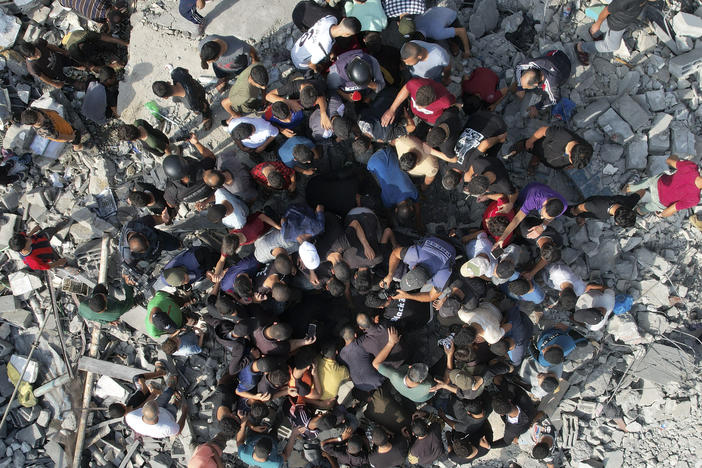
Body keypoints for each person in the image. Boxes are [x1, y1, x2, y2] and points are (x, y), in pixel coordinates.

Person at [492, 182, 567, 251]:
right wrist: (502, 238)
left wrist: (543, 226)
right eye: (542, 214)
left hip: (544, 192)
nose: (541, 218)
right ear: (545, 203)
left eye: (545, 217)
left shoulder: (563, 206)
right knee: (517, 208)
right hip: (527, 194)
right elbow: (517, 219)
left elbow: (550, 218)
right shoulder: (533, 198)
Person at [575, 0, 653, 65]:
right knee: (612, 46)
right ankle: (581, 47)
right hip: (618, 25)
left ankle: (594, 32)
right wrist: (597, 23)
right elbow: (606, 10)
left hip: (619, 19)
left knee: (604, 26)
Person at [381, 236, 456, 302]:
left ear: (425, 283)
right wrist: (390, 275)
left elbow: (431, 296)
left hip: (452, 245)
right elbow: (395, 253)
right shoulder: (414, 255)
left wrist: (408, 296)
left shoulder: (443, 275)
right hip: (436, 239)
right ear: (414, 267)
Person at [624, 155, 702, 218]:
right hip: (660, 202)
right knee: (650, 207)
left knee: (645, 183)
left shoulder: (691, 167)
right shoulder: (694, 199)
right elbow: (672, 209)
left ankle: (627, 188)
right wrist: (662, 215)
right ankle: (639, 211)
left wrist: (676, 157)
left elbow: (669, 160)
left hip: (658, 183)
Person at [372, 328, 435, 403]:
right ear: (422, 380)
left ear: (410, 367)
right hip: (425, 394)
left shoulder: (394, 376)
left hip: (414, 398)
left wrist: (391, 343)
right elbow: (444, 383)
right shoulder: (428, 386)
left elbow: (375, 363)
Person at [291, 16, 362, 70]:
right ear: (346, 35)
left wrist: (331, 52)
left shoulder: (330, 18)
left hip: (297, 46)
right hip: (298, 61)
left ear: (343, 20)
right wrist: (317, 70)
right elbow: (311, 64)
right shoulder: (324, 48)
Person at [514, 49, 571, 116]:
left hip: (566, 70)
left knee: (539, 91)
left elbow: (555, 100)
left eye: (525, 87)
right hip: (558, 55)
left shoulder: (551, 85)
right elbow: (519, 66)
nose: (522, 88)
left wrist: (537, 107)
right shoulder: (539, 62)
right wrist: (519, 87)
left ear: (536, 84)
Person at [381, 77, 456, 126]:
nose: (418, 107)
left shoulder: (445, 100)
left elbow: (453, 104)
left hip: (431, 121)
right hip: (414, 113)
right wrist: (392, 109)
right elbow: (406, 88)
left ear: (432, 101)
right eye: (416, 103)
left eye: (422, 106)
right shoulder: (414, 84)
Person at [519, 125, 593, 172]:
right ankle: (514, 150)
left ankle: (535, 161)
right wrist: (530, 141)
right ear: (570, 153)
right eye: (572, 162)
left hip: (551, 162)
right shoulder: (562, 135)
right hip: (541, 146)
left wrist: (572, 166)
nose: (571, 165)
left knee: (540, 159)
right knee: (524, 145)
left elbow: (581, 160)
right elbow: (543, 130)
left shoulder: (587, 150)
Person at [406, 6, 471, 57]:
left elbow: (462, 31)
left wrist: (467, 51)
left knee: (466, 47)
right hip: (436, 12)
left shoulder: (436, 34)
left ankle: (452, 42)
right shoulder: (413, 25)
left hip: (450, 15)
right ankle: (448, 36)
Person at [18, 40, 82, 90]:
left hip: (60, 59)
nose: (37, 55)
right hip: (56, 74)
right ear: (27, 57)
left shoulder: (38, 43)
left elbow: (51, 46)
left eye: (36, 51)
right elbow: (43, 77)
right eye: (34, 55)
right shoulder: (32, 67)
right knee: (73, 82)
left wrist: (63, 51)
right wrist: (55, 84)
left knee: (78, 64)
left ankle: (83, 67)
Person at [62, 29, 128, 70]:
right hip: (80, 51)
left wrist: (127, 44)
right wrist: (113, 66)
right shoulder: (76, 54)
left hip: (84, 38)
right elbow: (92, 67)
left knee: (108, 44)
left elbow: (109, 39)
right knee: (100, 66)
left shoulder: (89, 35)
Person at [566, 193, 639, 227]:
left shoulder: (628, 205)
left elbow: (642, 191)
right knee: (569, 212)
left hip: (596, 202)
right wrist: (576, 212)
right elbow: (583, 206)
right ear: (616, 222)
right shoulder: (598, 208)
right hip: (588, 204)